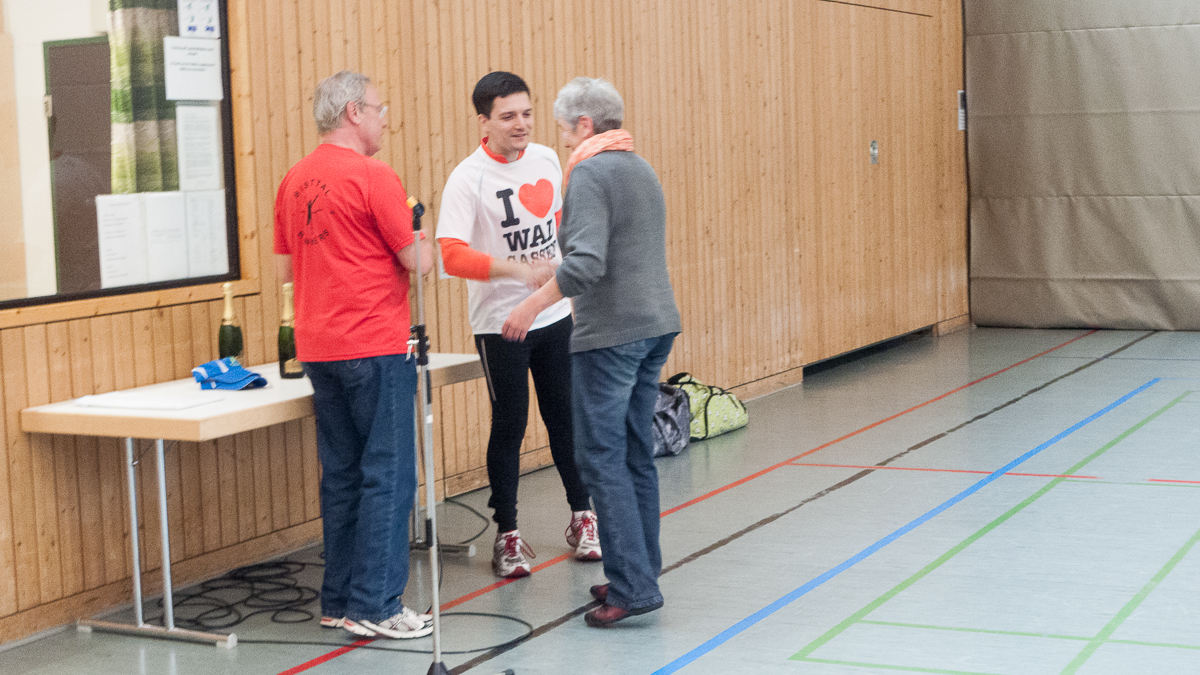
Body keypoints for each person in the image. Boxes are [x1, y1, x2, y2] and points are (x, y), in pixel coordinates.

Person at [502, 77, 681, 627]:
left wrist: (532, 306)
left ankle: (634, 586)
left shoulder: (590, 172)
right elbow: (619, 250)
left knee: (600, 459)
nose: (558, 140)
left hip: (612, 337)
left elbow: (586, 266)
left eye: (560, 129)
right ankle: (638, 573)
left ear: (584, 125)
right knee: (633, 455)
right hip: (655, 326)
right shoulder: (639, 167)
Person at [273, 70, 434, 639]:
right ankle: (378, 603)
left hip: (319, 348)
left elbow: (286, 269)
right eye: (378, 107)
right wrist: (426, 228)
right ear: (352, 114)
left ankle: (339, 598)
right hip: (374, 343)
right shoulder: (374, 176)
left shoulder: (293, 180)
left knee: (341, 475)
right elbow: (419, 260)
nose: (385, 116)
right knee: (388, 476)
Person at [436, 71, 600, 579]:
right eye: (508, 116)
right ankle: (507, 535)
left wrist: (560, 266)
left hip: (554, 313)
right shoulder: (468, 178)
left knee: (564, 418)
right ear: (484, 121)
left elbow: (559, 221)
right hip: (500, 322)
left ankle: (582, 517)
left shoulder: (549, 158)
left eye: (527, 113)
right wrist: (517, 271)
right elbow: (451, 256)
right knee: (510, 423)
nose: (521, 124)